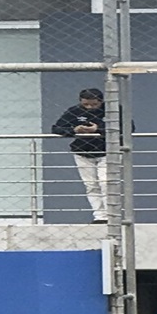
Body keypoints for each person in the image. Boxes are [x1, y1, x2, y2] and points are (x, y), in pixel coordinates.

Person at [50, 88, 109, 224]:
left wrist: (98, 129)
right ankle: (100, 216)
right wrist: (74, 130)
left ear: (101, 101)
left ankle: (112, 215)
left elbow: (127, 126)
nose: (90, 108)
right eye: (86, 104)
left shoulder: (112, 109)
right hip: (83, 152)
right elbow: (57, 128)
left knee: (106, 183)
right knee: (91, 185)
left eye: (94, 105)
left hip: (107, 151)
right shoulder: (74, 111)